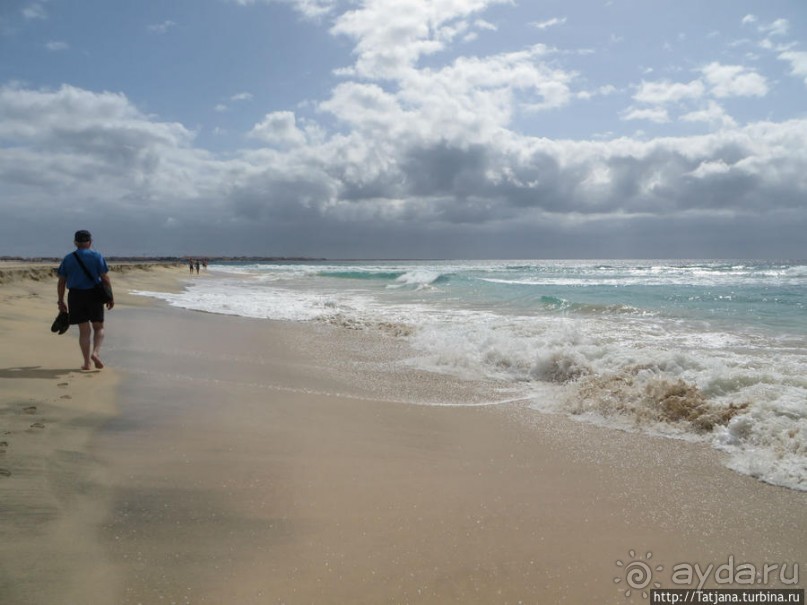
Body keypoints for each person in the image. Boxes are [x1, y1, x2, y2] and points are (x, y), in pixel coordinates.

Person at [56, 230, 114, 370]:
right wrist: (110, 296)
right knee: (98, 327)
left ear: (75, 242)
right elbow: (105, 278)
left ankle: (87, 363)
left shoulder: (68, 258)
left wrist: (60, 300)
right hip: (94, 295)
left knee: (84, 331)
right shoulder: (96, 256)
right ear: (90, 242)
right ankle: (95, 353)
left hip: (76, 295)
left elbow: (61, 281)